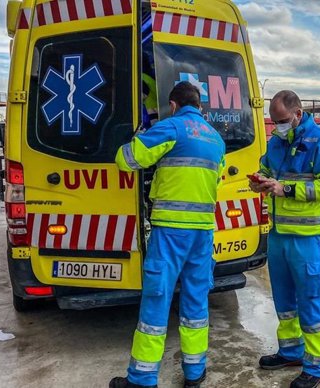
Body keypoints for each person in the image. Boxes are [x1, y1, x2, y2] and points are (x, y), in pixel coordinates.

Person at [110, 81, 226, 388]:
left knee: (157, 300)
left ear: (173, 105)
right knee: (196, 303)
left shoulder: (171, 127)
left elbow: (128, 160)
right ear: (199, 106)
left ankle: (142, 378)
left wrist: (137, 136)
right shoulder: (216, 138)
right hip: (203, 233)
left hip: (172, 232)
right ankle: (194, 373)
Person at [250, 90, 320, 388]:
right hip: (279, 235)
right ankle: (291, 352)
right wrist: (260, 183)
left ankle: (317, 368)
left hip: (307, 239)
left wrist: (286, 189)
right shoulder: (276, 143)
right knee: (285, 301)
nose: (277, 126)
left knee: (312, 302)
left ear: (298, 114)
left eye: (281, 120)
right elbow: (267, 171)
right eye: (274, 121)